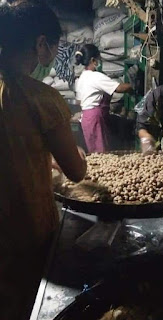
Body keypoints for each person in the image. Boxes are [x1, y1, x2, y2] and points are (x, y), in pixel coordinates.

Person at [0, 1, 87, 319]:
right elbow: (76, 173)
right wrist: (77, 157)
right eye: (54, 46)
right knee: (24, 305)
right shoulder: (41, 98)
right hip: (24, 231)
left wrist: (42, 157)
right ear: (40, 44)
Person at [75, 44, 133, 153]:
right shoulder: (95, 76)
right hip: (95, 118)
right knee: (101, 152)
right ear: (93, 60)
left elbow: (79, 101)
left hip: (86, 118)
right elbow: (119, 88)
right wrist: (132, 85)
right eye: (99, 58)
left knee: (94, 150)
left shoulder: (81, 77)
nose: (99, 61)